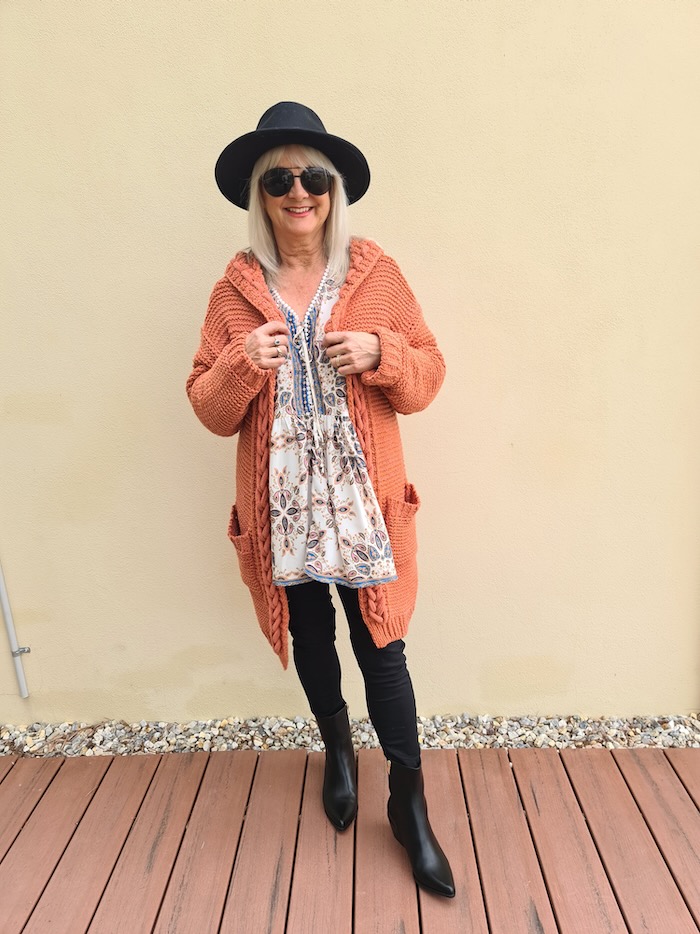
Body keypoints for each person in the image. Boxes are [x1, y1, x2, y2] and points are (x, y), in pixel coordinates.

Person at [187, 102, 454, 898]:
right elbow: (206, 406)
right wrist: (241, 362)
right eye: (280, 179)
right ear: (260, 197)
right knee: (310, 636)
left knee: (384, 651)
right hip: (284, 508)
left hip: (361, 506)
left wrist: (383, 351)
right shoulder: (233, 294)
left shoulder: (375, 274)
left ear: (334, 190)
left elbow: (430, 373)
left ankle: (407, 803)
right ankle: (337, 751)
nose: (299, 191)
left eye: (314, 176)